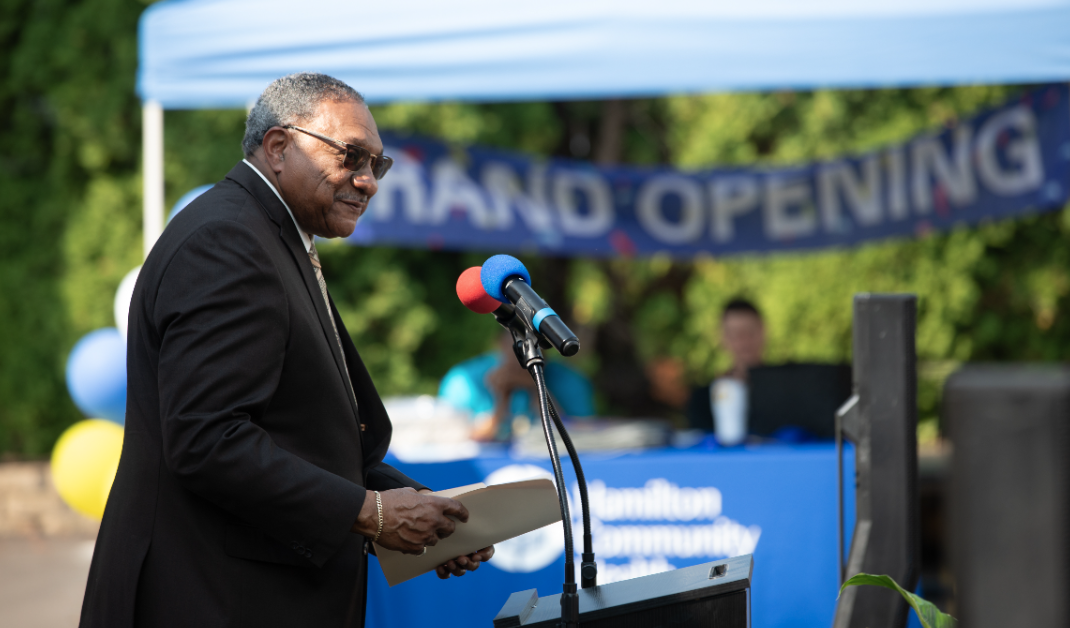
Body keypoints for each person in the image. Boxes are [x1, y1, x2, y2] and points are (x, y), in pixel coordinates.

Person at [80, 73, 492, 628]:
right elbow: (208, 438)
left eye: (378, 165)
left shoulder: (274, 236)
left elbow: (301, 437)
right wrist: (368, 514)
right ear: (279, 147)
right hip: (209, 599)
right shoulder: (226, 242)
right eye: (351, 156)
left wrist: (424, 509)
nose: (367, 181)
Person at [439, 333, 595, 441]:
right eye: (517, 345)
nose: (528, 352)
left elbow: (579, 437)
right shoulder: (463, 380)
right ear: (499, 344)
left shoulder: (570, 380)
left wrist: (536, 388)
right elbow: (458, 440)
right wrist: (502, 399)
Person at [686, 298, 766, 440]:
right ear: (723, 338)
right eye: (735, 333)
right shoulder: (702, 401)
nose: (743, 340)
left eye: (750, 331)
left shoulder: (790, 394)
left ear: (763, 332)